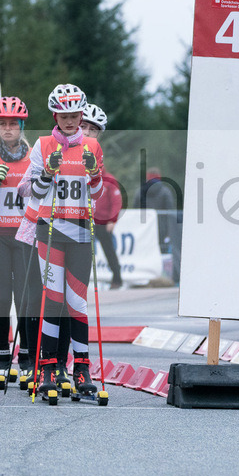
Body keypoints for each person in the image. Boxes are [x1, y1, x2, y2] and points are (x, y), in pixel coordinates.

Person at [24, 84, 104, 401]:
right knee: (53, 299)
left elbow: (97, 195)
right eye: (64, 115)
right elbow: (31, 192)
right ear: (55, 115)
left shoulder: (92, 147)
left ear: (81, 115)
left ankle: (81, 367)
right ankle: (46, 367)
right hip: (51, 230)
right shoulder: (43, 145)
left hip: (81, 232)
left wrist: (95, 176)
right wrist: (47, 172)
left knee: (78, 302)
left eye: (75, 116)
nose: (70, 121)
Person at [0, 97, 35, 382]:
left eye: (13, 124)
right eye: (3, 124)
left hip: (26, 234)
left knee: (25, 298)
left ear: (21, 126)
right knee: (0, 298)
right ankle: (0, 353)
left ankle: (26, 355)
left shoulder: (33, 156)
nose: (8, 129)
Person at [81, 104, 124, 289]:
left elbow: (117, 201)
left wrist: (112, 220)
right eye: (84, 127)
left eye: (93, 130)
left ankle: (117, 278)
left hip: (102, 222)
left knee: (109, 252)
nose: (88, 133)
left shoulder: (109, 179)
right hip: (82, 218)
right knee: (83, 253)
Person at [132, 167, 180, 283]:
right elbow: (170, 211)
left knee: (145, 251)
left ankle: (144, 277)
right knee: (162, 252)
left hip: (144, 229)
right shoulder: (165, 191)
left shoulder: (140, 191)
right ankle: (164, 277)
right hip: (162, 228)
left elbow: (134, 210)